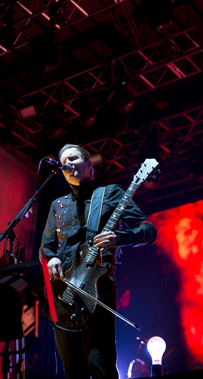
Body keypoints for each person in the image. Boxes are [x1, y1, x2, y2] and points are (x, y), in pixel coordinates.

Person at [40, 144, 157, 379]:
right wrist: (51, 258)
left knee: (100, 362)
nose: (67, 164)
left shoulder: (110, 194)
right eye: (63, 162)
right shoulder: (57, 205)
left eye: (73, 158)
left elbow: (148, 230)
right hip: (64, 295)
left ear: (89, 164)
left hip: (97, 288)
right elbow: (47, 246)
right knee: (72, 370)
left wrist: (119, 237)